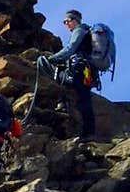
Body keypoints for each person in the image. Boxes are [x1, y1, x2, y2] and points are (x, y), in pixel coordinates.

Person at [39, 9, 97, 139]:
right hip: (86, 72)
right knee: (84, 99)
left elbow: (69, 49)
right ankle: (89, 133)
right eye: (64, 22)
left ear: (75, 20)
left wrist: (52, 58)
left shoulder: (79, 30)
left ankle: (61, 102)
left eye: (68, 21)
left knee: (45, 65)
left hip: (79, 70)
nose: (66, 24)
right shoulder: (86, 32)